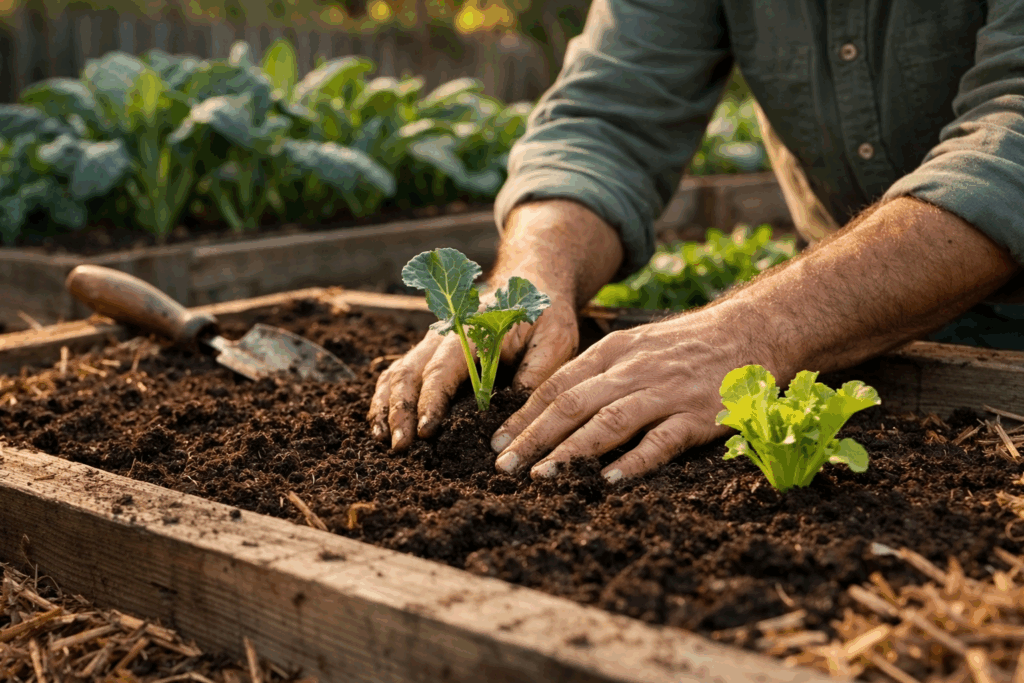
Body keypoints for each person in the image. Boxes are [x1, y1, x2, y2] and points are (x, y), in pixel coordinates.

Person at [369, 0, 1024, 484]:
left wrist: (756, 329)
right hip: (852, 343)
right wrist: (532, 277)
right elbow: (608, 119)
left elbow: (1013, 133)